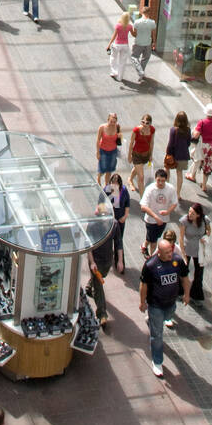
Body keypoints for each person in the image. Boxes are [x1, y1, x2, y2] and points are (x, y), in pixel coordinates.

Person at [140, 236, 190, 378]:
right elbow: (144, 285)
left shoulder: (177, 261)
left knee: (167, 317)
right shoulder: (150, 265)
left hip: (171, 304)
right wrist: (142, 302)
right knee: (157, 336)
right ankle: (157, 362)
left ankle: (152, 321)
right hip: (155, 304)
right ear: (159, 252)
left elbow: (185, 278)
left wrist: (187, 294)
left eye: (171, 251)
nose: (170, 254)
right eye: (167, 252)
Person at [86, 203, 116, 331]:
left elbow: (118, 241)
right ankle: (102, 314)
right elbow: (89, 246)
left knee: (100, 277)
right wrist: (92, 262)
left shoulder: (113, 225)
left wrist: (119, 260)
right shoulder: (92, 225)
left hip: (107, 259)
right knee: (99, 285)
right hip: (96, 260)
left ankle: (89, 286)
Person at [140, 167, 178, 256]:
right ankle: (152, 257)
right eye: (158, 180)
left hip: (164, 219)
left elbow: (174, 203)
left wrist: (168, 211)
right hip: (151, 220)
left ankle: (144, 245)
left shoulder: (170, 189)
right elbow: (143, 206)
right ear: (155, 179)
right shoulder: (150, 189)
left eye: (163, 181)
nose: (160, 183)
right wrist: (155, 217)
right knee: (154, 241)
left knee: (154, 237)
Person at [179, 203, 210, 303]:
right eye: (189, 212)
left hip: (199, 249)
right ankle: (179, 291)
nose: (189, 214)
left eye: (192, 213)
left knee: (199, 273)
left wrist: (205, 237)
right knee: (183, 270)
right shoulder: (185, 221)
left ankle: (196, 295)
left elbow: (208, 230)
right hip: (187, 247)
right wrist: (183, 252)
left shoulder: (205, 220)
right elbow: (181, 237)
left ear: (198, 215)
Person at [187, 104, 212, 195]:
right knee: (207, 164)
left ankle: (192, 175)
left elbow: (196, 135)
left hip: (203, 145)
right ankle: (204, 185)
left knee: (197, 160)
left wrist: (193, 131)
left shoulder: (202, 122)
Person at [105, 171, 130, 274]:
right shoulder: (106, 190)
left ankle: (120, 263)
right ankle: (109, 260)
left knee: (119, 241)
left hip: (120, 220)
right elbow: (101, 204)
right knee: (109, 240)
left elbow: (127, 204)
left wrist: (125, 216)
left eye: (116, 184)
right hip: (110, 220)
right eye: (113, 183)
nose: (114, 186)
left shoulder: (123, 191)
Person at [165, 111, 192, 199]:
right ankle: (178, 194)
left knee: (167, 169)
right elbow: (188, 143)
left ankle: (166, 189)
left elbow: (170, 143)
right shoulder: (188, 130)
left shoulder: (173, 130)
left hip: (173, 154)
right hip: (183, 155)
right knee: (179, 174)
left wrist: (168, 154)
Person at [128, 113, 155, 196]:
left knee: (137, 169)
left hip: (145, 154)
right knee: (141, 177)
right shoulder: (136, 130)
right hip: (137, 154)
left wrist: (150, 155)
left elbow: (151, 142)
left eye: (147, 123)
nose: (144, 124)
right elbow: (131, 143)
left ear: (150, 123)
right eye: (143, 122)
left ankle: (130, 179)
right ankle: (142, 199)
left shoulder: (152, 130)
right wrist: (129, 155)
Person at [96, 112, 122, 187]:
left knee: (109, 169)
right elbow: (98, 140)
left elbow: (119, 138)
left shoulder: (117, 127)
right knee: (102, 168)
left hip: (113, 151)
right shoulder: (102, 127)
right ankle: (98, 178)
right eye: (111, 121)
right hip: (103, 150)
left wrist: (119, 136)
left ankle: (106, 185)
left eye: (114, 122)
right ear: (108, 120)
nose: (112, 123)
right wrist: (97, 152)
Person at [131, 6, 157, 79]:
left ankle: (140, 71)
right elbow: (153, 33)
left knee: (134, 57)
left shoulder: (136, 22)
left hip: (138, 42)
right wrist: (154, 42)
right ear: (149, 13)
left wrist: (130, 30)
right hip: (147, 43)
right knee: (145, 58)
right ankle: (141, 72)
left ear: (142, 12)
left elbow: (134, 34)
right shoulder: (152, 22)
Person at [106, 11, 133, 81]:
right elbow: (134, 34)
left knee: (113, 58)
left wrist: (109, 45)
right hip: (125, 45)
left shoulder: (118, 25)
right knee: (122, 61)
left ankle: (114, 72)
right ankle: (120, 77)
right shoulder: (130, 26)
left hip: (117, 45)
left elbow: (114, 36)